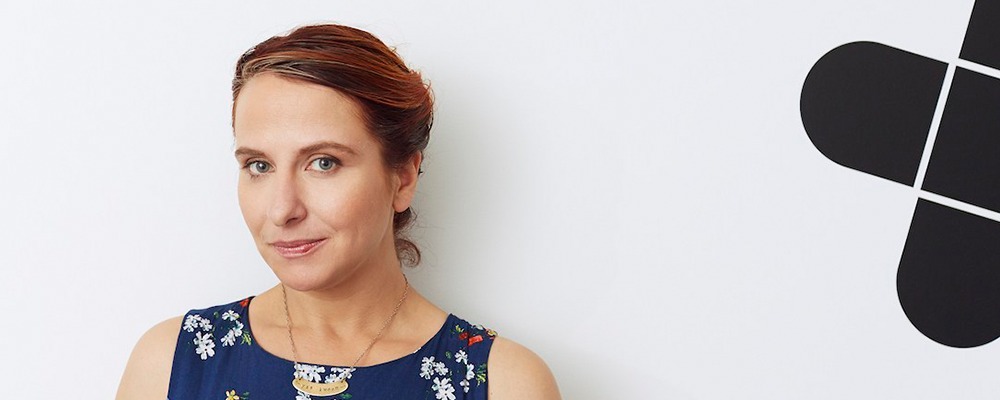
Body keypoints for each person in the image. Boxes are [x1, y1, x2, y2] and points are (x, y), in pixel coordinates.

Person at [115, 23, 561, 400]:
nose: (281, 209)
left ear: (402, 177)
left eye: (323, 163)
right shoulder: (171, 365)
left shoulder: (504, 383)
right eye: (259, 165)